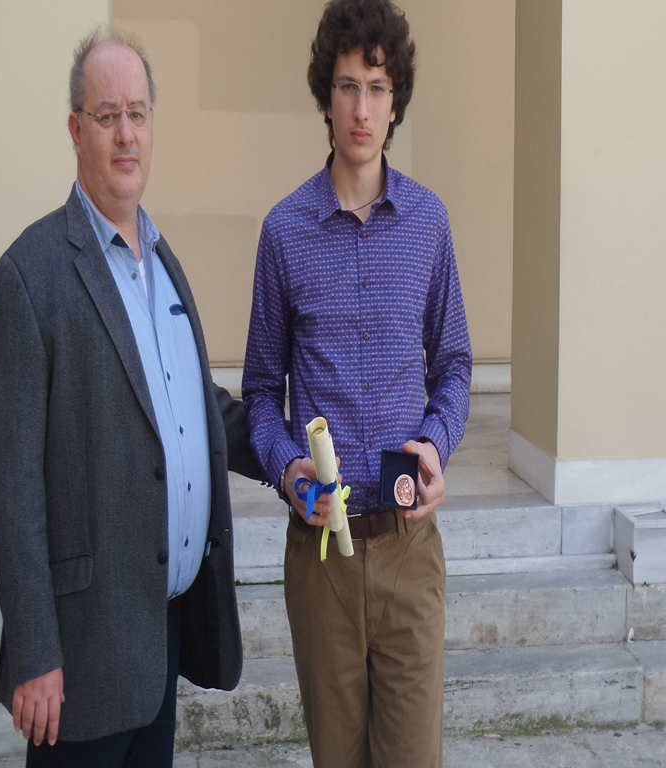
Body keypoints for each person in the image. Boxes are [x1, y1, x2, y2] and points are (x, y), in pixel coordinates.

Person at [0, 27, 261, 767]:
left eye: (137, 113)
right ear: (77, 131)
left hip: (160, 633)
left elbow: (190, 407)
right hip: (81, 655)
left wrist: (284, 454)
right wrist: (35, 652)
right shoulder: (30, 275)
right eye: (107, 116)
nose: (126, 134)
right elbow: (11, 485)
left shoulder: (162, 263)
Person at [241, 1, 472, 766]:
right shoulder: (284, 232)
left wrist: (435, 445)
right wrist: (288, 470)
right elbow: (259, 393)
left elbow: (455, 366)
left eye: (376, 87)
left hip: (409, 550)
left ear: (395, 100)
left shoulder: (429, 224)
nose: (362, 108)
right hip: (322, 563)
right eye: (347, 87)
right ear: (326, 97)